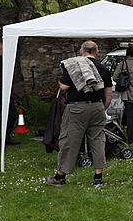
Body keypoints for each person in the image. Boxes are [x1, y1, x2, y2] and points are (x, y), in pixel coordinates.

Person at [45, 41, 112, 188]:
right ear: (97, 51)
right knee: (97, 141)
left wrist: (60, 81)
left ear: (81, 51)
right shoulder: (103, 68)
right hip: (97, 107)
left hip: (77, 109)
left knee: (69, 141)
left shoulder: (74, 66)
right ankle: (98, 177)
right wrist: (102, 108)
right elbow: (108, 95)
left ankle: (60, 177)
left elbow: (64, 87)